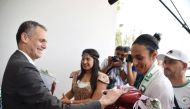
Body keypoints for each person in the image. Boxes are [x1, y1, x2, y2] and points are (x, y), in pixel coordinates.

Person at [1, 20, 124, 109]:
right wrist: (61, 101)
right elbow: (63, 99)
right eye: (41, 40)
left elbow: (94, 99)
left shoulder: (102, 77)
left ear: (95, 61)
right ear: (25, 37)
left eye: (88, 59)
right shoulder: (23, 67)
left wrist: (68, 103)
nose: (45, 46)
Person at [130, 33, 174, 109]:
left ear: (154, 55)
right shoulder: (150, 76)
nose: (134, 63)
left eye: (139, 58)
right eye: (132, 58)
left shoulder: (161, 85)